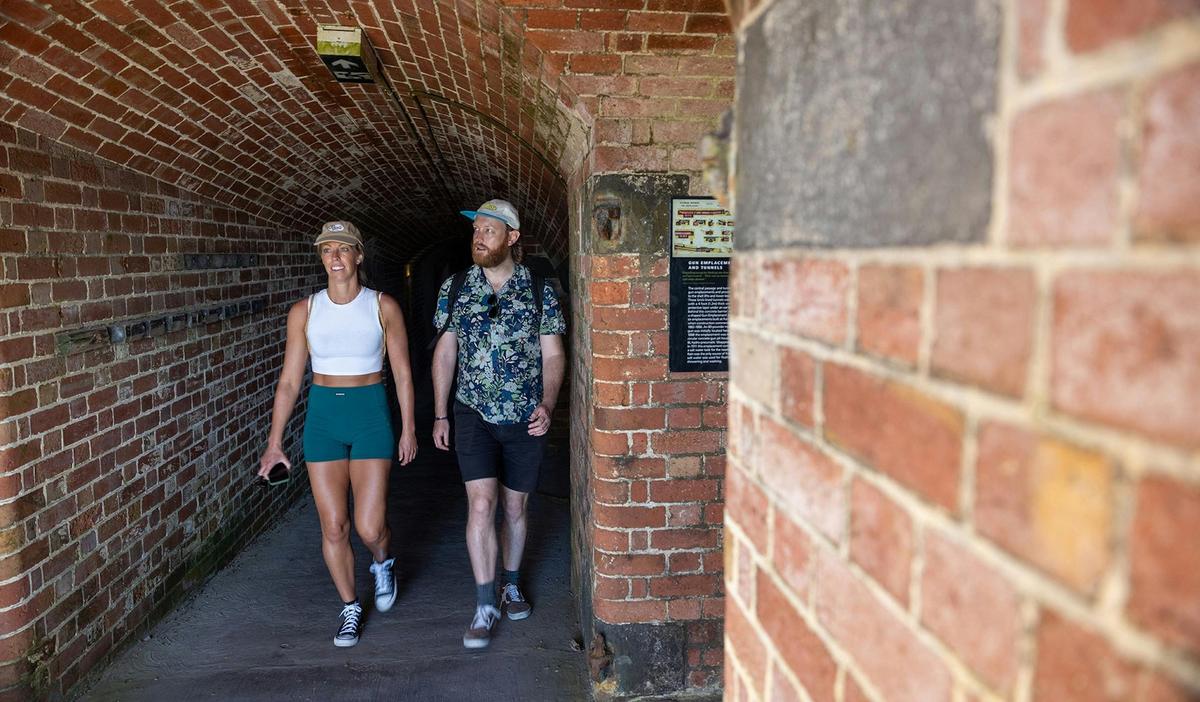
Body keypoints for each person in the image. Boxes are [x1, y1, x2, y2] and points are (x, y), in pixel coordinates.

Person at [257, 220, 417, 648]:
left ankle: (382, 561)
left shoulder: (382, 305)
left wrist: (409, 429)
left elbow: (402, 373)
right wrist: (275, 443)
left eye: (343, 249)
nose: (335, 257)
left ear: (358, 256)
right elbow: (290, 381)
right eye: (327, 249)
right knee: (333, 527)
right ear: (321, 256)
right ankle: (349, 607)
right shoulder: (305, 311)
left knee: (368, 526)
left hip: (370, 416)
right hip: (324, 420)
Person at [431, 199, 566, 649]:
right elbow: (445, 351)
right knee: (482, 506)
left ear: (512, 238)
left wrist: (547, 404)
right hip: (473, 413)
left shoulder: (540, 289)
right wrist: (439, 412)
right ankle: (485, 603)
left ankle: (511, 582)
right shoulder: (455, 288)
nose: (480, 236)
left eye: (490, 230)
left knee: (514, 509)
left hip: (527, 417)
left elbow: (553, 353)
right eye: (477, 230)